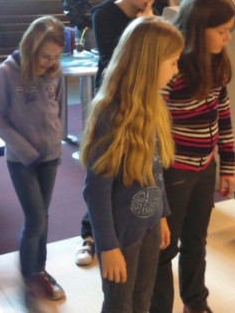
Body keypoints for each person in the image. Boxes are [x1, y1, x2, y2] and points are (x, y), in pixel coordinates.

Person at [82, 16, 184, 313]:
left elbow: (155, 170)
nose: (176, 70)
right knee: (120, 305)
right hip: (121, 234)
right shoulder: (111, 116)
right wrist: (107, 246)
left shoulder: (153, 106)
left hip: (149, 226)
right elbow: (95, 192)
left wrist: (161, 214)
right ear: (149, 63)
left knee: (143, 300)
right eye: (173, 62)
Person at [150, 0, 235, 313]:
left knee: (196, 240)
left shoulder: (216, 63)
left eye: (230, 30)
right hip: (175, 171)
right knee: (164, 246)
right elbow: (154, 132)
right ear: (199, 29)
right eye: (222, 31)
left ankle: (195, 302)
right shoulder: (171, 68)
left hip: (204, 168)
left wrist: (227, 164)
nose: (228, 38)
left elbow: (223, 114)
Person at [75, 0, 161, 266]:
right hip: (112, 101)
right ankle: (90, 235)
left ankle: (127, 230)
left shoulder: (149, 14)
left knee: (136, 170)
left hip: (141, 100)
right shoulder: (105, 13)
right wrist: (142, 25)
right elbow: (116, 58)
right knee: (103, 171)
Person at [0, 16, 66, 302]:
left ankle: (39, 270)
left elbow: (58, 108)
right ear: (31, 47)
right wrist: (25, 150)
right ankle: (30, 279)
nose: (49, 62)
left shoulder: (55, 72)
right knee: (35, 218)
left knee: (43, 216)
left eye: (55, 57)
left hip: (50, 157)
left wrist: (56, 140)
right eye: (45, 56)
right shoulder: (7, 72)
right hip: (21, 160)